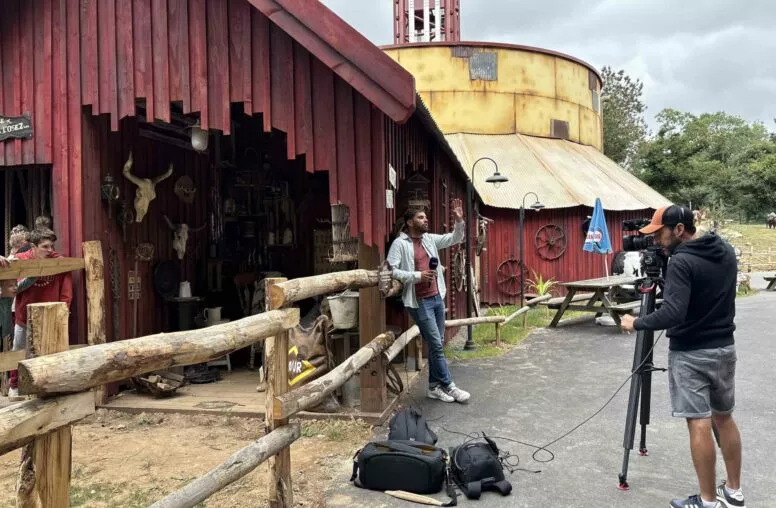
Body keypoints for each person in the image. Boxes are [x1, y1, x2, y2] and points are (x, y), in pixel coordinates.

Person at [620, 205, 744, 508]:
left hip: (691, 353)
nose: (657, 241)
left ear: (678, 229)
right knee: (724, 417)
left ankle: (706, 501)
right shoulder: (724, 249)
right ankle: (734, 492)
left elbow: (674, 313)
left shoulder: (681, 262)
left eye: (660, 233)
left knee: (699, 423)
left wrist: (635, 322)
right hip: (725, 348)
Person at [386, 200, 470, 404]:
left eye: (425, 217)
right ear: (409, 222)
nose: (425, 220)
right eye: (421, 217)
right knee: (435, 343)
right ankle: (449, 385)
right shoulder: (400, 244)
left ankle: (433, 388)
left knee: (436, 344)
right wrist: (417, 276)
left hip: (436, 297)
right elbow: (391, 269)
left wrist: (459, 221)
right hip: (419, 301)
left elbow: (454, 238)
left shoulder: (429, 239)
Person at [7, 228, 72, 398]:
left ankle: (45, 388)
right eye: (45, 246)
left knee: (49, 352)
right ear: (33, 247)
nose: (50, 250)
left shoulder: (59, 262)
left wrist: (64, 309)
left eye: (52, 246)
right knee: (19, 350)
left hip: (49, 317)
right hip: (24, 316)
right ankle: (14, 385)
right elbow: (11, 284)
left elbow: (66, 290)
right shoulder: (21, 259)